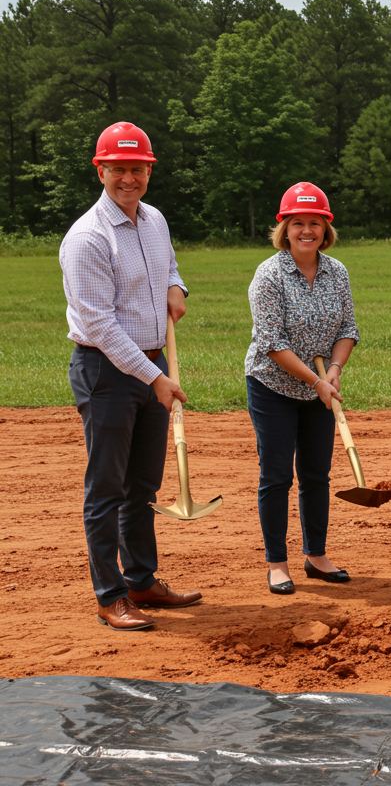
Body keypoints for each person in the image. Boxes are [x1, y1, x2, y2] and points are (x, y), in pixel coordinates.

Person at [60, 122, 202, 631]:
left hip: (150, 363)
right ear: (100, 170)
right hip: (106, 371)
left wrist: (176, 286)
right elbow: (99, 324)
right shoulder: (87, 238)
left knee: (142, 483)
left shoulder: (154, 220)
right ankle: (110, 594)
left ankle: (142, 579)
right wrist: (154, 377)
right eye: (118, 168)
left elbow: (167, 266)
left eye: (137, 168)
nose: (129, 177)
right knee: (107, 488)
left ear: (148, 171)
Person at [245, 183, 359, 596]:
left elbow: (347, 329)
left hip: (319, 387)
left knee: (316, 474)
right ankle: (277, 563)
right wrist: (315, 380)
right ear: (285, 229)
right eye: (298, 223)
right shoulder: (269, 275)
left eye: (315, 223)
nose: (306, 230)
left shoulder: (338, 272)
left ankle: (316, 556)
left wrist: (334, 370)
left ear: (325, 228)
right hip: (273, 385)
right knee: (276, 475)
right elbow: (271, 342)